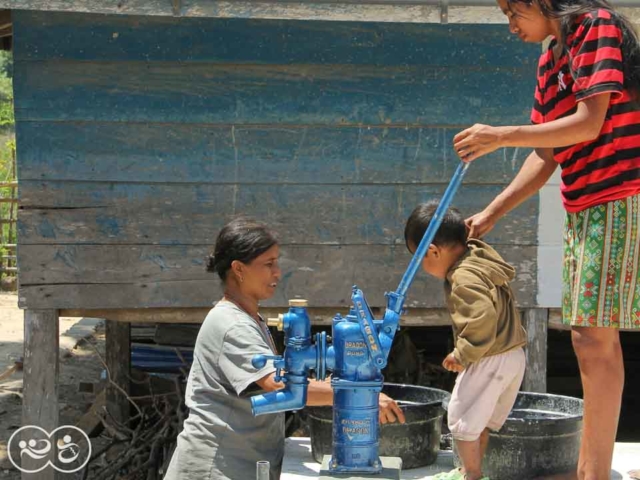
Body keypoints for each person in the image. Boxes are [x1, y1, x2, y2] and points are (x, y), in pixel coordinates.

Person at [453, 0, 640, 477]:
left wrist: (500, 135)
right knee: (590, 339)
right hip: (583, 206)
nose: (511, 25)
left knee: (593, 339)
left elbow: (589, 122)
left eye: (514, 12)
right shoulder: (550, 57)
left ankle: (591, 473)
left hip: (620, 194)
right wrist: (491, 213)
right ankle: (591, 469)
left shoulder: (594, 27)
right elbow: (548, 150)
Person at [164, 217, 405, 480]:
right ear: (238, 269)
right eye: (268, 264)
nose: (277, 272)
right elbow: (280, 386)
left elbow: (287, 379)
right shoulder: (231, 325)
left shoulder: (249, 318)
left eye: (276, 262)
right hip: (213, 468)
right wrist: (361, 395)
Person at [404, 201, 527, 480]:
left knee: (459, 420)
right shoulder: (480, 258)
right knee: (477, 420)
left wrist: (462, 352)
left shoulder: (463, 277)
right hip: (513, 355)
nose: (421, 266)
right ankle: (471, 470)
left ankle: (471, 475)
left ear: (433, 251)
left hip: (490, 356)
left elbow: (481, 316)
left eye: (419, 258)